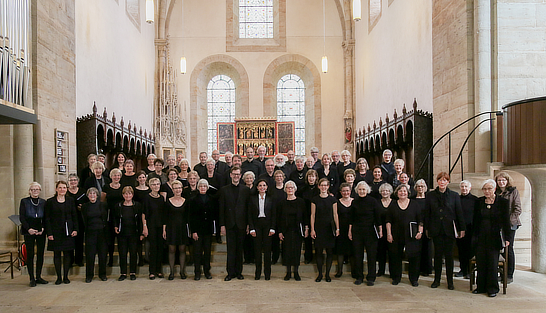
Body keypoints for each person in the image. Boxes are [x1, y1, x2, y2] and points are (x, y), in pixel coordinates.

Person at [424, 172, 466, 290]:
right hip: (436, 228)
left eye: (444, 180)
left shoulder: (454, 195)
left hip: (449, 229)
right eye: (440, 180)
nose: (442, 182)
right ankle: (436, 280)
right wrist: (427, 228)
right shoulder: (430, 195)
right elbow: (427, 213)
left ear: (448, 182)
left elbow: (459, 213)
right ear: (437, 181)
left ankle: (450, 281)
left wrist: (461, 228)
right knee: (437, 256)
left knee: (449, 256)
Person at [472, 179, 511, 297]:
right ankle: (481, 287)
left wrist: (508, 238)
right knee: (481, 262)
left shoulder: (502, 202)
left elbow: (506, 221)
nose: (486, 191)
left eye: (489, 189)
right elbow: (475, 221)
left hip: (494, 238)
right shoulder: (479, 202)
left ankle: (492, 288)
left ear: (494, 189)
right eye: (484, 189)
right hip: (480, 236)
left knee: (492, 263)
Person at [386, 184, 423, 286]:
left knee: (414, 257)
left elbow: (420, 219)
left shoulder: (414, 204)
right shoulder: (393, 204)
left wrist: (420, 232)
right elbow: (388, 221)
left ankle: (414, 279)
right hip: (396, 234)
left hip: (412, 235)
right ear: (397, 193)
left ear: (408, 193)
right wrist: (389, 233)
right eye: (400, 191)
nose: (402, 193)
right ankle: (396, 277)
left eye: (404, 191)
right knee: (395, 256)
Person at [219, 166, 251, 281]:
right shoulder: (224, 190)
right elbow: (221, 209)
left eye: (238, 174)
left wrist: (248, 225)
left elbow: (248, 209)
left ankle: (239, 272)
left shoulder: (246, 190)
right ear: (230, 175)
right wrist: (222, 225)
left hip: (242, 224)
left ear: (241, 176)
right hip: (229, 224)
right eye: (234, 174)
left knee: (239, 249)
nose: (236, 176)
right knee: (230, 250)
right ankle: (230, 273)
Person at [349, 181, 382, 286]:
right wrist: (350, 231)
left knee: (371, 255)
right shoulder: (354, 202)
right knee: (358, 255)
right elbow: (351, 218)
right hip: (357, 231)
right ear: (357, 191)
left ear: (367, 190)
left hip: (370, 231)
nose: (362, 191)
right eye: (360, 189)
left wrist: (380, 230)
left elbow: (378, 217)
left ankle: (371, 277)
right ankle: (359, 277)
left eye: (363, 189)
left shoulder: (373, 201)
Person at [45, 181, 78, 285]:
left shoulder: (70, 200)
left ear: (66, 189)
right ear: (56, 189)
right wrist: (49, 233)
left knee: (68, 254)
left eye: (64, 187)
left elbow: (74, 216)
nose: (62, 189)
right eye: (60, 187)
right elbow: (47, 218)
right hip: (55, 231)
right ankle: (59, 277)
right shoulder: (50, 201)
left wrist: (75, 229)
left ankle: (66, 276)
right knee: (57, 254)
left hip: (68, 231)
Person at [277, 180, 308, 281]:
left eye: (291, 187)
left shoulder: (300, 201)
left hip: (297, 230)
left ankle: (296, 272)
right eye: (288, 188)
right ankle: (288, 272)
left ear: (295, 189)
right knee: (286, 251)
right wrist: (280, 232)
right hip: (286, 230)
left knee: (296, 251)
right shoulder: (282, 203)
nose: (290, 189)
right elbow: (279, 218)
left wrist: (306, 228)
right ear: (285, 190)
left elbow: (305, 217)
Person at [310, 178, 340, 282]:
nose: (323, 187)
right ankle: (319, 274)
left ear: (328, 187)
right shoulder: (315, 199)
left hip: (329, 227)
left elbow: (335, 214)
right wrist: (312, 229)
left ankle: (327, 274)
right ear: (318, 186)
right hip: (318, 227)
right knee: (318, 251)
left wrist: (337, 228)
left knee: (329, 252)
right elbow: (312, 215)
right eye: (321, 185)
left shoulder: (333, 199)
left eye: (325, 185)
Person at [19, 182, 48, 287]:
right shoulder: (24, 201)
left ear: (40, 190)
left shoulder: (43, 202)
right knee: (30, 254)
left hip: (40, 231)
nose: (35, 191)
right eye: (33, 189)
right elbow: (22, 217)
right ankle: (31, 278)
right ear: (30, 191)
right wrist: (29, 229)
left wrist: (43, 228)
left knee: (40, 254)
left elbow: (46, 217)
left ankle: (38, 276)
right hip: (28, 230)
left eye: (37, 189)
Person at [495, 171, 521, 284]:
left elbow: (517, 209)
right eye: (499, 180)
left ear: (507, 181)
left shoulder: (513, 191)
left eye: (503, 180)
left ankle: (509, 274)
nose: (501, 182)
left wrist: (507, 222)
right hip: (497, 224)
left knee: (508, 249)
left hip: (510, 224)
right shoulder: (495, 192)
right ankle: (500, 273)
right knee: (497, 248)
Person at [247, 179, 276, 280]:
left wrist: (272, 228)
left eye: (264, 185)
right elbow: (249, 215)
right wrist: (251, 228)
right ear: (257, 187)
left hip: (268, 226)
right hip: (257, 225)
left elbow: (274, 215)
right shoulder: (252, 198)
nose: (262, 187)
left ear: (267, 187)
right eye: (260, 185)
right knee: (257, 251)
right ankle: (258, 273)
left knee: (267, 251)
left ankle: (267, 274)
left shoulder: (271, 199)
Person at [189, 179, 217, 280]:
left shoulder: (212, 199)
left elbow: (214, 216)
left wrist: (214, 230)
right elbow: (191, 217)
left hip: (208, 230)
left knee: (207, 252)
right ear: (198, 187)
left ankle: (206, 271)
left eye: (204, 186)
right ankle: (197, 272)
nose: (203, 188)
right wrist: (194, 231)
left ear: (207, 187)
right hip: (197, 230)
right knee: (197, 252)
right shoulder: (193, 199)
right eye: (201, 186)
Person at [114, 186, 143, 281]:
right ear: (123, 195)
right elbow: (114, 218)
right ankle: (123, 273)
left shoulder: (137, 205)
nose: (128, 195)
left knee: (133, 253)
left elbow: (140, 220)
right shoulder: (118, 206)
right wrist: (115, 226)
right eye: (126, 193)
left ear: (132, 195)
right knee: (122, 253)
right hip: (122, 233)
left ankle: (132, 272)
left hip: (134, 233)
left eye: (129, 193)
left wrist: (141, 233)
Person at [163, 180, 189, 280]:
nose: (177, 190)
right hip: (171, 228)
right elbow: (165, 217)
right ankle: (172, 272)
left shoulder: (186, 201)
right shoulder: (168, 201)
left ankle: (182, 272)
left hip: (182, 228)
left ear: (181, 189)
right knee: (172, 249)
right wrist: (164, 230)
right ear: (172, 190)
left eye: (179, 188)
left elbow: (187, 217)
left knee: (182, 249)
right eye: (175, 188)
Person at [81, 187, 108, 282]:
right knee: (90, 255)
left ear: (97, 195)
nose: (92, 195)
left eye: (94, 194)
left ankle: (102, 274)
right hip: (90, 232)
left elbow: (105, 218)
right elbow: (84, 219)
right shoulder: (85, 206)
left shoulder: (103, 205)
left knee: (103, 254)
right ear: (88, 196)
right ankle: (89, 275)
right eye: (90, 194)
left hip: (102, 232)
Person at [142, 178, 165, 280]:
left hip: (160, 226)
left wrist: (164, 229)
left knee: (160, 248)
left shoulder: (161, 198)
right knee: (152, 248)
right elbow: (144, 214)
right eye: (154, 185)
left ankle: (159, 270)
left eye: (158, 184)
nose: (156, 186)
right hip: (150, 226)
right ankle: (152, 271)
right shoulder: (147, 198)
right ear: (150, 186)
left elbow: (163, 215)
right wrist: (145, 227)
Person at [101, 168, 124, 267]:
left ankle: (122, 260)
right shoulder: (106, 187)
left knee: (121, 239)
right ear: (111, 176)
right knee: (109, 239)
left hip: (121, 215)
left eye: (118, 175)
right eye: (114, 175)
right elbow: (102, 201)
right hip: (110, 215)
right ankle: (110, 259)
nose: (116, 177)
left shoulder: (123, 187)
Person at [456, 180, 477, 279]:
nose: (464, 188)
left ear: (470, 188)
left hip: (471, 229)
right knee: (461, 250)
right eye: (462, 186)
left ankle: (470, 270)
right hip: (460, 229)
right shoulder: (457, 199)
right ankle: (462, 269)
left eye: (466, 187)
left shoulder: (475, 200)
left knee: (470, 250)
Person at [66, 173, 87, 267]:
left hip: (80, 218)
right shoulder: (65, 192)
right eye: (71, 180)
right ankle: (69, 260)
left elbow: (88, 203)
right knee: (70, 240)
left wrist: (83, 207)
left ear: (78, 182)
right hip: (68, 218)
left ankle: (79, 259)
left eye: (75, 180)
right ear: (68, 182)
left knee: (79, 240)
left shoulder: (83, 191)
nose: (73, 182)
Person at [412, 179, 432, 276]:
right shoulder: (412, 199)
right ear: (416, 188)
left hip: (427, 226)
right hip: (415, 227)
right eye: (419, 186)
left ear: (425, 188)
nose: (420, 188)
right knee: (416, 248)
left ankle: (426, 269)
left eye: (422, 186)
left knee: (427, 248)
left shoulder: (429, 199)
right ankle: (417, 268)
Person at [299, 169, 319, 264]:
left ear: (316, 178)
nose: (311, 178)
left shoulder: (319, 189)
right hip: (305, 215)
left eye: (313, 176)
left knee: (317, 237)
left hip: (318, 217)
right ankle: (308, 257)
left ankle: (318, 258)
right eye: (309, 176)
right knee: (307, 238)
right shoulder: (302, 189)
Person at [335, 183, 354, 278]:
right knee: (340, 250)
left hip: (353, 228)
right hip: (341, 228)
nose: (345, 192)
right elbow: (335, 216)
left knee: (353, 250)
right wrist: (337, 228)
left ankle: (354, 271)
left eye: (347, 190)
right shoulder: (337, 202)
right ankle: (339, 270)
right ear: (340, 192)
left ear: (350, 191)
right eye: (343, 191)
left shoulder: (355, 201)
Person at [377, 182, 393, 277]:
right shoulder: (377, 203)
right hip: (380, 230)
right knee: (381, 251)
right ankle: (381, 270)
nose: (385, 192)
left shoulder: (394, 202)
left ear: (390, 192)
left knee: (392, 251)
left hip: (392, 230)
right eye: (383, 191)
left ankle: (392, 271)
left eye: (386, 191)